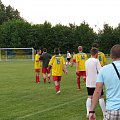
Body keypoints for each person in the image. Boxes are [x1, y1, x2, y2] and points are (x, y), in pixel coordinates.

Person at [89, 44, 120, 120]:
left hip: (112, 109)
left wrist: (91, 111)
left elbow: (97, 91)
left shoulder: (104, 70)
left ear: (111, 56)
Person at [85, 48, 106, 118]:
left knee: (90, 96)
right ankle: (104, 112)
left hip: (88, 81)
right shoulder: (96, 61)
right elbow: (100, 71)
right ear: (96, 54)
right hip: (96, 81)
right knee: (100, 97)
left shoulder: (86, 61)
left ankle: (88, 112)